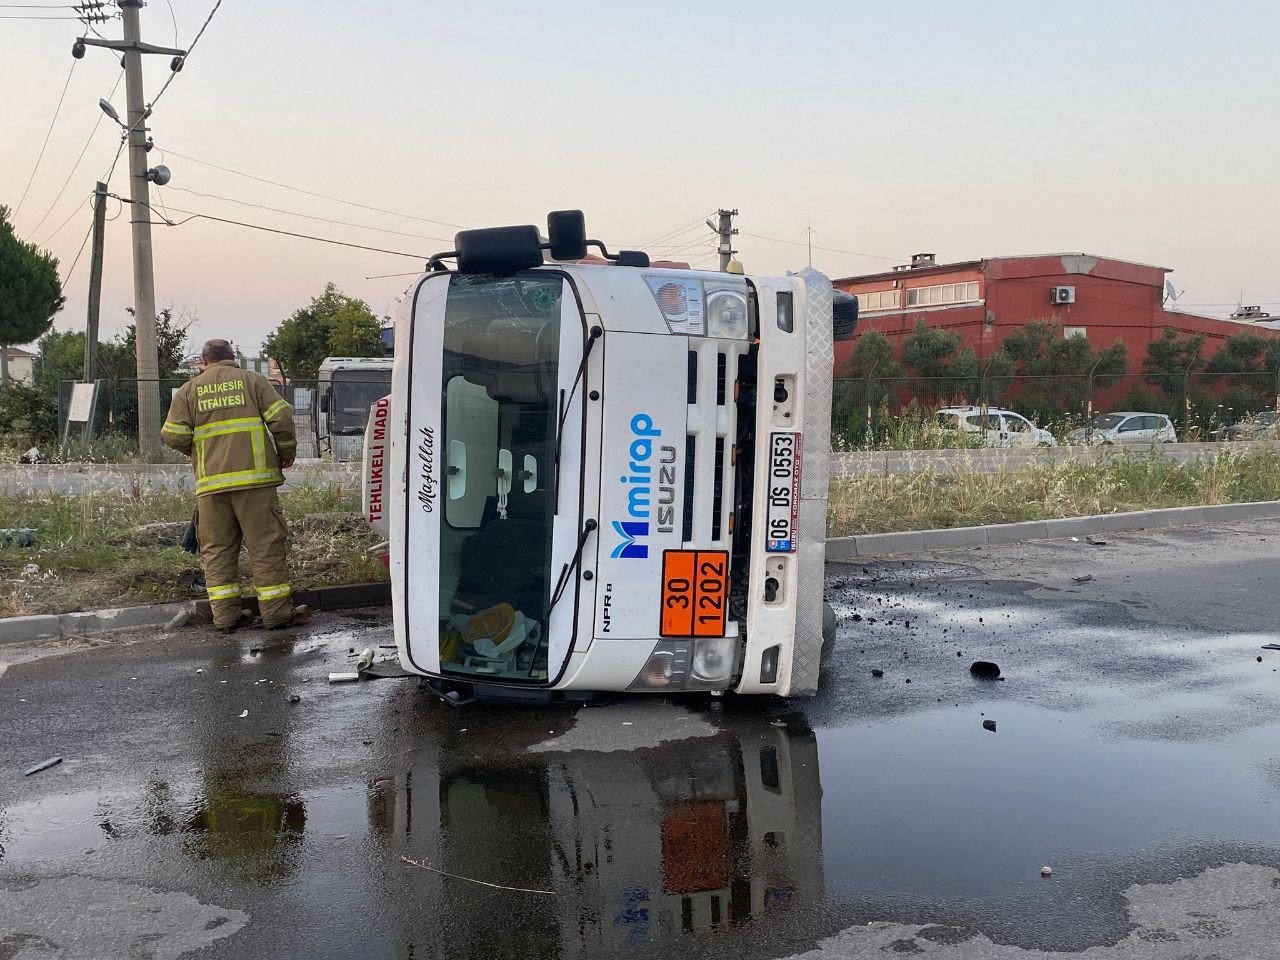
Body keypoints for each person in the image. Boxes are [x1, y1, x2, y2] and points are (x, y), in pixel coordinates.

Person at [161, 339, 312, 633]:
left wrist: (200, 451)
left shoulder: (189, 390)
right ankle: (277, 614)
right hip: (255, 483)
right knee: (265, 546)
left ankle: (226, 618)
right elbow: (281, 417)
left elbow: (172, 435)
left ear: (203, 362)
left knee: (217, 551)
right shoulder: (252, 381)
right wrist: (286, 453)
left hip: (211, 488)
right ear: (233, 359)